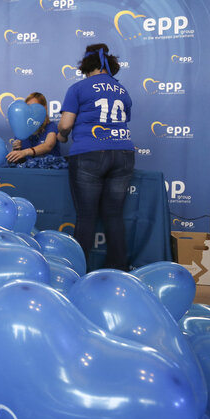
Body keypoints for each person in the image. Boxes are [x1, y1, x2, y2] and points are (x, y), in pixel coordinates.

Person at [57, 43, 134, 270]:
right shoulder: (123, 90)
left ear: (87, 66)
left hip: (89, 154)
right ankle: (119, 270)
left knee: (86, 217)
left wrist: (61, 136)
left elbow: (66, 124)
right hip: (124, 154)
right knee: (114, 216)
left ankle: (79, 271)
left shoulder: (78, 88)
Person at [5, 92, 61, 163]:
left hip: (49, 170)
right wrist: (16, 149)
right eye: (28, 107)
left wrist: (25, 152)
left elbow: (48, 146)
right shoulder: (21, 129)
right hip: (27, 172)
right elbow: (16, 159)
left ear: (44, 108)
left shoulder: (51, 126)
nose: (30, 111)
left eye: (35, 107)